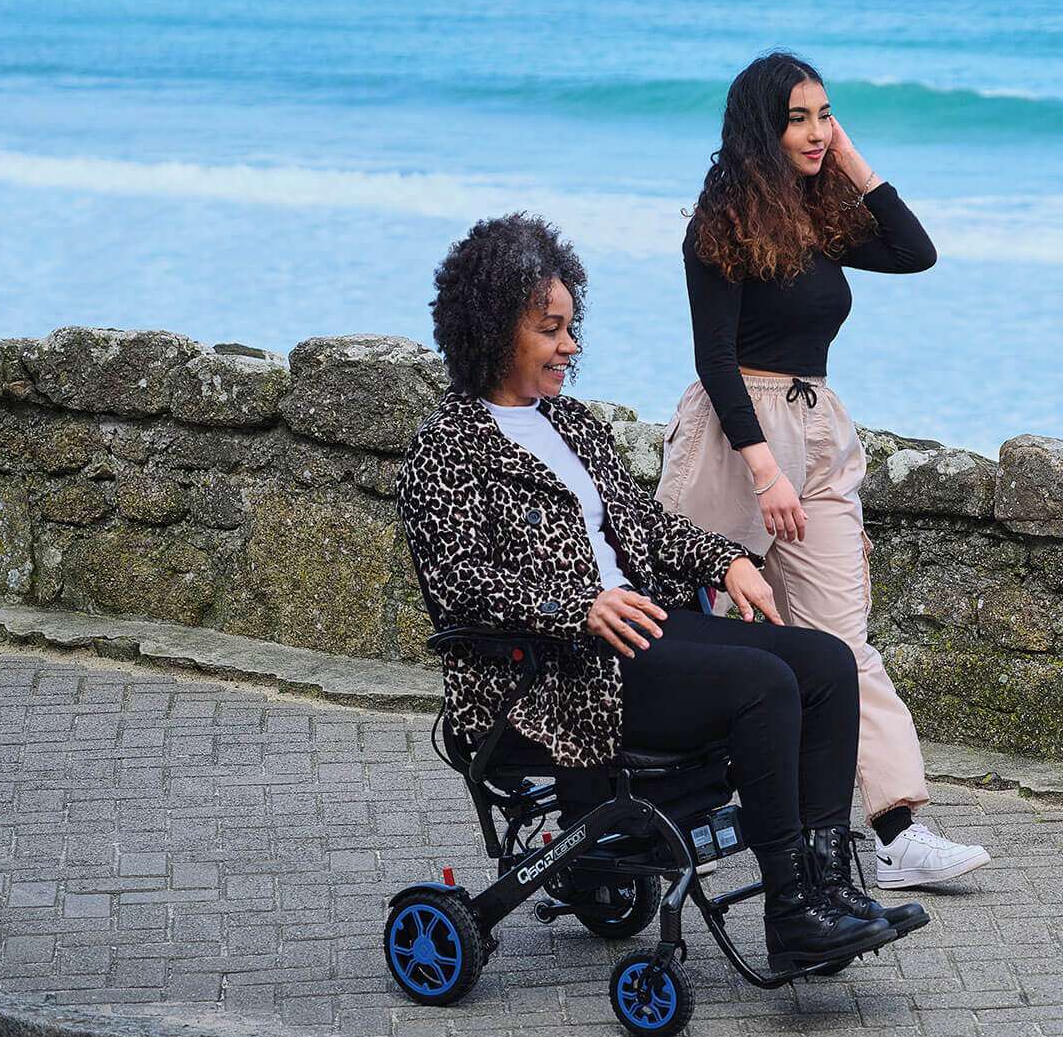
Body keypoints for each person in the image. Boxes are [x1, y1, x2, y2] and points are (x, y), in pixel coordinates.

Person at [397, 213, 926, 971]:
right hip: (556, 673)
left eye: (570, 327)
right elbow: (463, 588)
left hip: (641, 631)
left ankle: (828, 888)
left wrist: (725, 562)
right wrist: (574, 607)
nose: (570, 348)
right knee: (763, 684)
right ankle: (790, 910)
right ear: (494, 327)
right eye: (551, 330)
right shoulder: (446, 449)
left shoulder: (570, 424)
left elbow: (647, 524)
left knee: (825, 663)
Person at [657, 52, 990, 888]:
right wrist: (763, 471)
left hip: (815, 429)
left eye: (826, 114)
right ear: (762, 129)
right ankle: (660, 804)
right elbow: (715, 359)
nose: (816, 130)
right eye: (800, 118)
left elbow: (917, 251)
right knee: (674, 617)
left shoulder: (820, 214)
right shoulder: (721, 222)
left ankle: (897, 831)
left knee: (844, 642)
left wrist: (850, 160)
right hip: (736, 436)